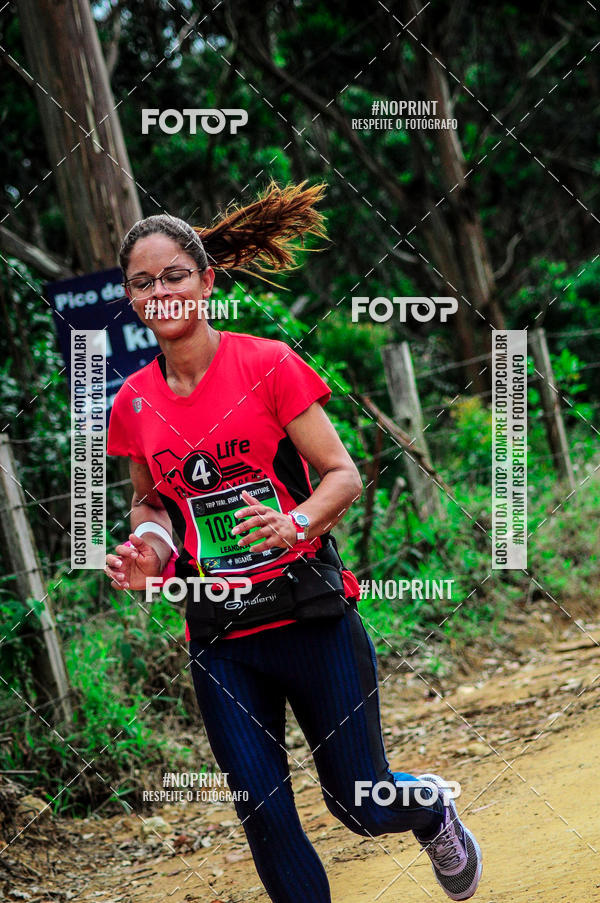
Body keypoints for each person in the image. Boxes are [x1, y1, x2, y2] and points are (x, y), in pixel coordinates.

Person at [104, 182, 482, 902]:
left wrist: (296, 521)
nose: (162, 291)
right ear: (132, 298)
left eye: (175, 274)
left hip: (313, 620)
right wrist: (147, 549)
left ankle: (429, 805)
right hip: (222, 638)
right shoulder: (135, 402)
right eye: (143, 282)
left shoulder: (267, 364)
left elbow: (343, 474)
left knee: (360, 803)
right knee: (266, 818)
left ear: (207, 280)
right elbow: (152, 501)